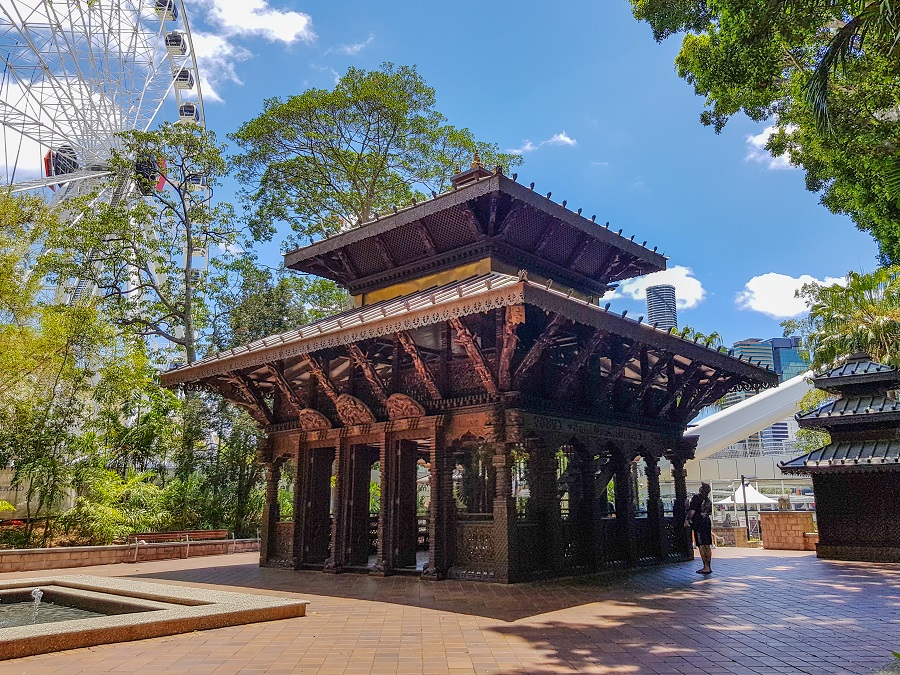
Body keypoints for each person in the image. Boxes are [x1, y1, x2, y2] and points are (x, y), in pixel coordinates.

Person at [685, 482, 713, 574]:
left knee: (701, 544)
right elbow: (710, 512)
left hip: (699, 522)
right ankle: (708, 566)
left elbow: (692, 511)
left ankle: (705, 566)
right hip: (707, 522)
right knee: (707, 544)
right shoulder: (708, 500)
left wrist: (687, 520)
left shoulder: (697, 498)